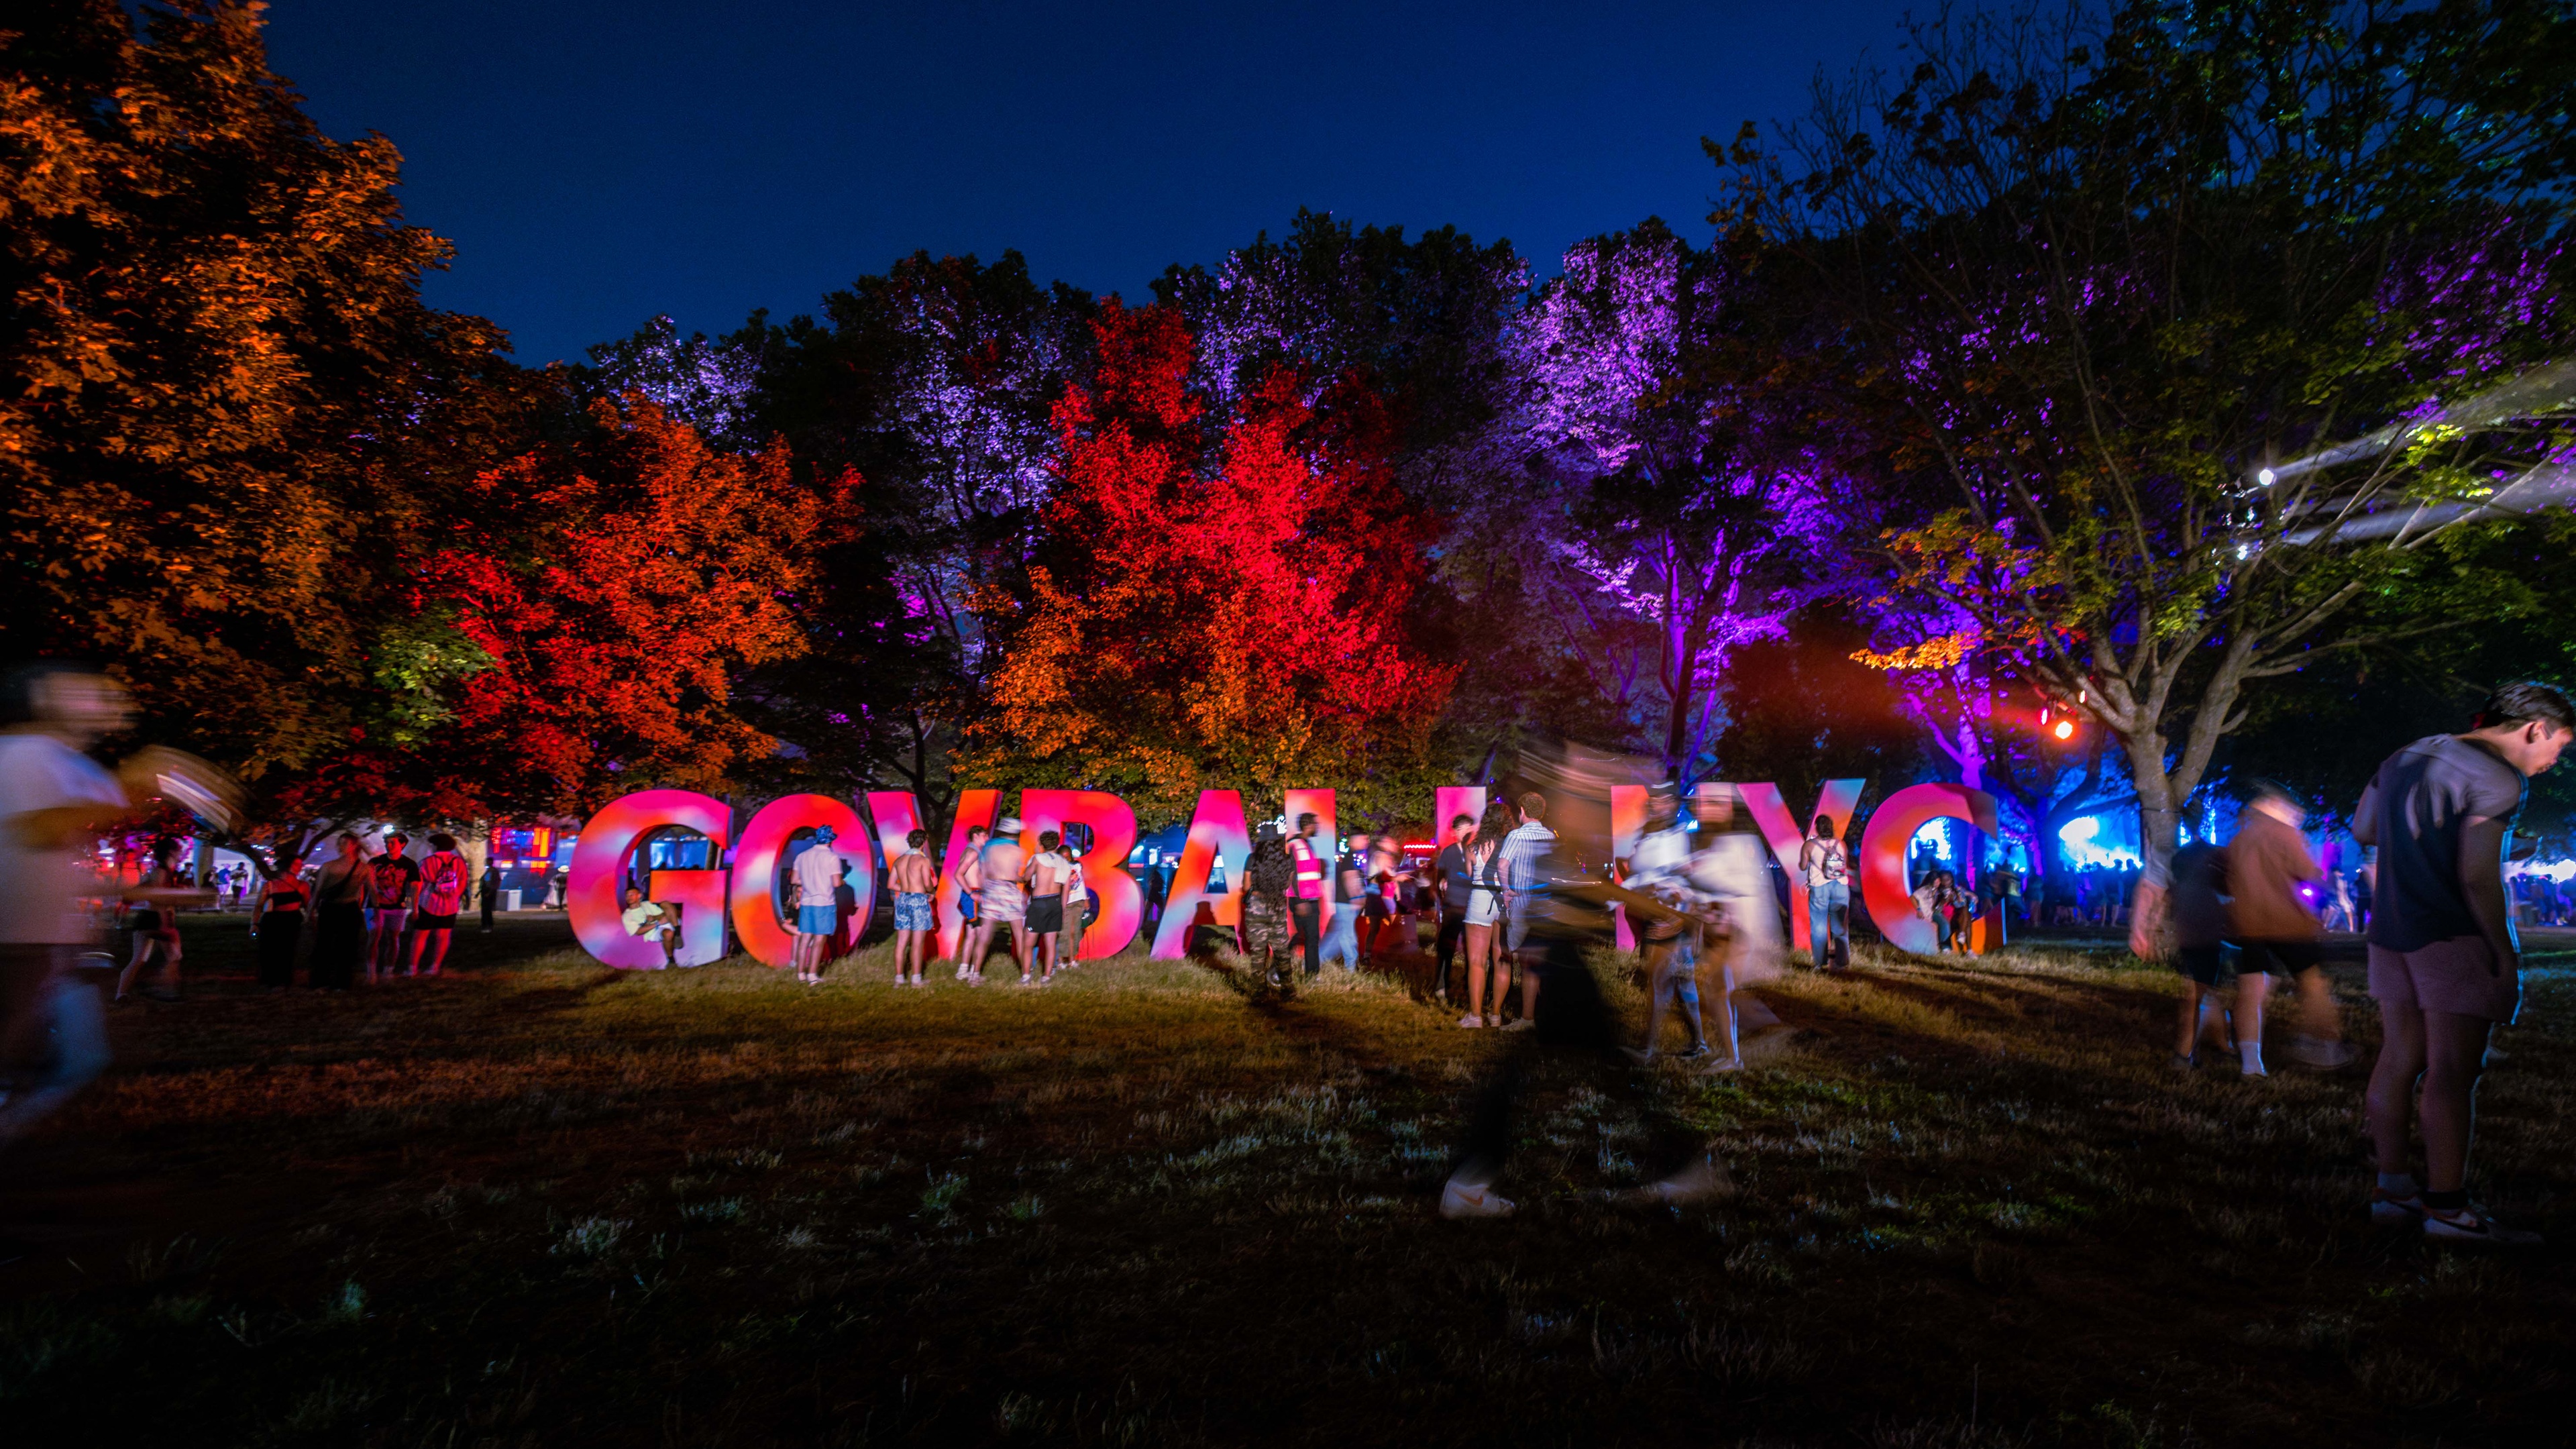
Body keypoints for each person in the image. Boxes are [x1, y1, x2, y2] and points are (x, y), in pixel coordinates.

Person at [2353, 682, 2571, 1245]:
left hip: (2391, 931)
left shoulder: (2407, 754)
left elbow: (2366, 830)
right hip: (2451, 933)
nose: (2553, 762)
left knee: (2399, 1059)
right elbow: (2477, 876)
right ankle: (2447, 1209)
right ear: (2537, 728)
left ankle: (2392, 1190)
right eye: (2560, 747)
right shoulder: (2500, 777)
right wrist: (2504, 950)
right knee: (2453, 1072)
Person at [1438, 805, 1733, 1219]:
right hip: (1564, 964)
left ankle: (1470, 1179)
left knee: (1544, 1067)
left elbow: (1583, 888)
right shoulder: (1561, 832)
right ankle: (1680, 1164)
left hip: (1560, 959)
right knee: (1602, 1066)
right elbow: (1591, 887)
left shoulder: (1555, 834)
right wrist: (1675, 912)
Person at [1, 663, 221, 1150]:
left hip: (50, 944)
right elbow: (39, 831)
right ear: (43, 694)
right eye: (91, 691)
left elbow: (51, 862)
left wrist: (154, 894)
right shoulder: (24, 752)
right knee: (39, 1057)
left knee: (79, 1058)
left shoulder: (64, 763)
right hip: (17, 943)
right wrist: (133, 786)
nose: (108, 701)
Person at [2224, 781, 2353, 1073]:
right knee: (2313, 983)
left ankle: (2251, 1062)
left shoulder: (2239, 840)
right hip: (2287, 923)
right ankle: (2324, 1049)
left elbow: (2226, 879)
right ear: (2277, 806)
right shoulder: (2284, 833)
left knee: (2251, 991)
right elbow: (2308, 873)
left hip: (2248, 924)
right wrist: (2324, 883)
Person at [2164, 837, 2237, 1071]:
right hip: (2206, 939)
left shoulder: (2181, 875)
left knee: (2203, 993)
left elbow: (2170, 904)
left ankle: (2218, 1047)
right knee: (2198, 995)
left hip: (2191, 938)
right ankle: (2187, 1054)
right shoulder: (2211, 874)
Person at [1494, 793, 1557, 1030]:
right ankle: (1540, 1012)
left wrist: (1506, 889)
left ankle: (1527, 1017)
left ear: (1522, 811)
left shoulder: (1516, 835)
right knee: (1539, 960)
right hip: (1544, 905)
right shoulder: (1550, 835)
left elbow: (1502, 864)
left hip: (1522, 904)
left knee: (1524, 962)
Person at [116, 835, 188, 1003]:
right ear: (171, 852)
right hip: (158, 917)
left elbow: (145, 890)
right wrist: (165, 923)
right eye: (179, 849)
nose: (181, 853)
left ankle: (122, 994)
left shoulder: (160, 871)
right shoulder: (162, 872)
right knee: (174, 956)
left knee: (140, 959)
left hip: (149, 918)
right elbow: (158, 898)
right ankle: (159, 988)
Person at [1238, 823, 1297, 989]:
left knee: (1258, 953)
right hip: (1277, 906)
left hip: (1256, 909)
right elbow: (1286, 884)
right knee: (1281, 951)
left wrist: (1259, 892)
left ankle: (1259, 993)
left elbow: (1246, 887)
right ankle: (1288, 990)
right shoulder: (1286, 860)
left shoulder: (1252, 859)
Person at [309, 832, 369, 990]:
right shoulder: (329, 866)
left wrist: (370, 909)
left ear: (354, 846)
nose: (340, 846)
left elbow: (368, 891)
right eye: (339, 843)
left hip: (349, 908)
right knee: (325, 945)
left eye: (344, 843)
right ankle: (321, 980)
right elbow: (318, 891)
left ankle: (342, 982)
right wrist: (311, 911)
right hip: (330, 908)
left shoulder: (363, 868)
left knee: (347, 947)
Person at [975, 818, 1030, 985]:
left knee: (985, 935)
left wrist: (983, 891)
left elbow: (982, 872)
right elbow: (1014, 875)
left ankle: (975, 974)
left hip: (992, 888)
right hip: (1008, 888)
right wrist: (1023, 880)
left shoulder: (989, 847)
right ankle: (1026, 975)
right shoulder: (1016, 850)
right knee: (1019, 935)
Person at [405, 833, 469, 977]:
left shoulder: (427, 862)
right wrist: (454, 897)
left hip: (428, 904)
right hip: (450, 906)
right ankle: (435, 967)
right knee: (443, 936)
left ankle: (412, 968)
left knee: (420, 936)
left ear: (436, 845)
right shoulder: (459, 862)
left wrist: (414, 906)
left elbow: (417, 884)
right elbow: (462, 883)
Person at [1428, 814, 1477, 1003]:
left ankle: (1470, 987)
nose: (1467, 832)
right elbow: (1439, 877)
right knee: (1446, 948)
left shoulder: (1477, 850)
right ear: (1456, 832)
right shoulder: (1448, 852)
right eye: (1463, 829)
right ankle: (1441, 987)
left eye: (1470, 828)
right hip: (1453, 907)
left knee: (1471, 950)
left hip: (1473, 907)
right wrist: (1440, 885)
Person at [362, 832, 421, 984]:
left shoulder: (409, 864)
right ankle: (371, 973)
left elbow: (415, 886)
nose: (388, 845)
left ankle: (388, 970)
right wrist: (373, 904)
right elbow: (368, 884)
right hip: (376, 906)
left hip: (397, 907)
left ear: (402, 844)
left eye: (392, 842)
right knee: (374, 936)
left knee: (393, 938)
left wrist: (415, 909)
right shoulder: (375, 862)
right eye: (387, 842)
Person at [789, 826, 844, 985]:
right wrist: (842, 881)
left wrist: (809, 882)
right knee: (820, 940)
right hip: (824, 902)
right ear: (831, 840)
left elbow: (794, 880)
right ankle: (813, 974)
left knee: (805, 938)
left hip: (807, 901)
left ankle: (800, 973)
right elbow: (836, 883)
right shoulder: (832, 858)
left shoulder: (802, 856)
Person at [1796, 813, 1852, 970]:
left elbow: (1802, 866)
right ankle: (1842, 964)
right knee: (1840, 926)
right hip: (1840, 886)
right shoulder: (1841, 844)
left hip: (1819, 886)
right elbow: (1845, 864)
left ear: (1817, 828)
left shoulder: (1810, 845)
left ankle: (1820, 963)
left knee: (1819, 926)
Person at [888, 828, 938, 987]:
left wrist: (905, 888)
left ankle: (899, 978)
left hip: (903, 900)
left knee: (902, 941)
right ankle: (916, 979)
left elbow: (891, 885)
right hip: (918, 901)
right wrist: (931, 891)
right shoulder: (923, 860)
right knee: (917, 943)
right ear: (923, 843)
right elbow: (928, 883)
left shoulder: (899, 860)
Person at [252, 851, 308, 990]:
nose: (300, 867)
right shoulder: (271, 885)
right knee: (270, 950)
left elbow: (309, 906)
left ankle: (283, 980)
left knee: (287, 950)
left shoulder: (302, 885)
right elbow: (259, 906)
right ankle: (271, 980)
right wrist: (254, 924)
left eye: (301, 865)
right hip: (273, 921)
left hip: (292, 920)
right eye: (297, 864)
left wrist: (314, 922)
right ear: (288, 866)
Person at [1022, 830, 1072, 984]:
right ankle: (1047, 977)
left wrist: (1035, 857)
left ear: (1042, 844)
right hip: (1055, 903)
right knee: (1051, 943)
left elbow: (1026, 877)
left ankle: (1026, 977)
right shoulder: (1065, 863)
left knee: (1028, 942)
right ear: (1057, 844)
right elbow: (1066, 890)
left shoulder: (1038, 859)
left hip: (1039, 904)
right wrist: (1063, 909)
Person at [1286, 812, 1329, 979]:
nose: (1317, 827)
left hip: (1310, 899)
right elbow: (1291, 874)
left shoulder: (1306, 844)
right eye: (1315, 824)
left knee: (1310, 938)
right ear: (1308, 825)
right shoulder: (1294, 845)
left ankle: (1311, 974)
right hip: (1302, 901)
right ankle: (1281, 969)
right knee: (1304, 937)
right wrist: (1299, 901)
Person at [1318, 832, 1367, 973]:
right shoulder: (1350, 858)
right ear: (1353, 841)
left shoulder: (1350, 858)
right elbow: (1349, 879)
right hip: (1346, 904)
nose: (1366, 842)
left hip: (1345, 903)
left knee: (1339, 937)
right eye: (1363, 839)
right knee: (1347, 938)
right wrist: (1356, 899)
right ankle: (1351, 969)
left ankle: (1316, 961)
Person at [954, 823, 991, 981]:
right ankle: (974, 974)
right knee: (981, 935)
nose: (988, 838)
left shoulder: (973, 851)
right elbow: (958, 874)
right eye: (984, 835)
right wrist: (972, 894)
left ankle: (964, 971)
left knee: (971, 934)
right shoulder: (972, 853)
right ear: (975, 836)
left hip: (973, 894)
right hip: (973, 895)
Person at [621, 885, 680, 967]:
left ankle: (678, 933)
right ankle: (671, 961)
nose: (629, 897)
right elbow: (638, 932)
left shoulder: (647, 904)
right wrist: (657, 923)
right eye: (627, 895)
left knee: (666, 905)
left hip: (667, 922)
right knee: (668, 933)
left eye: (632, 894)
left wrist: (654, 918)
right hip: (653, 931)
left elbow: (664, 915)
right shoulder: (627, 915)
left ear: (639, 895)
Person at [478, 859, 500, 932]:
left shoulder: (493, 871)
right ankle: (486, 925)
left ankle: (488, 925)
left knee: (487, 910)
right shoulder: (489, 871)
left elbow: (494, 883)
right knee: (485, 910)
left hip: (488, 892)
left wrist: (490, 892)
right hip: (486, 891)